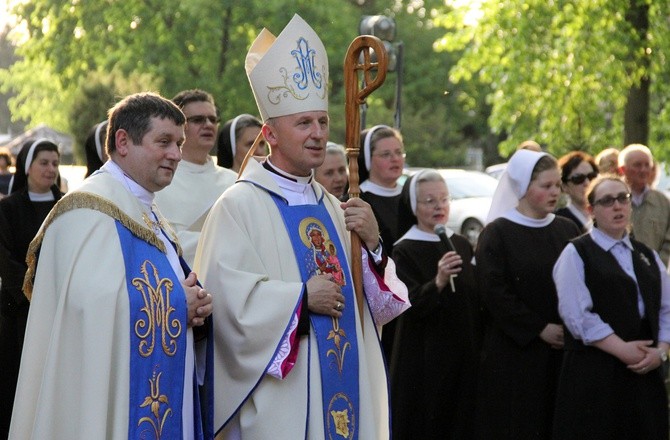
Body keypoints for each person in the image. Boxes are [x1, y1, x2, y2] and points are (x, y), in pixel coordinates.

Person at [194, 14, 409, 439]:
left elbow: (383, 309)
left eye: (322, 122)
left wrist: (373, 245)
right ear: (271, 134)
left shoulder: (336, 207)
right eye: (303, 124)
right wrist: (298, 299)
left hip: (343, 386)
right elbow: (226, 309)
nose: (316, 135)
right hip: (283, 403)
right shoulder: (239, 206)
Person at [9, 92, 214, 439]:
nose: (176, 155)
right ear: (122, 141)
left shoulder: (152, 215)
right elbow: (88, 312)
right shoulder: (85, 211)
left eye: (179, 143)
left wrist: (195, 309)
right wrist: (178, 304)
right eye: (163, 142)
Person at [553, 175, 670, 439]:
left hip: (644, 370)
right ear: (591, 210)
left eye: (623, 198)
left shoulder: (646, 254)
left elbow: (666, 308)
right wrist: (621, 349)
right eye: (607, 201)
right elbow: (577, 315)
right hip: (596, 371)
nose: (617, 206)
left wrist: (661, 352)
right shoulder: (576, 253)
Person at [476, 149, 581, 440]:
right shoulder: (497, 233)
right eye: (545, 186)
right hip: (516, 353)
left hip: (563, 347)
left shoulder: (567, 228)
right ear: (523, 187)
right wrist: (538, 328)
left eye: (558, 185)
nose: (555, 193)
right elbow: (494, 292)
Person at [390, 169, 479, 439]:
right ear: (414, 206)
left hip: (462, 352)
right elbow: (408, 304)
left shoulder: (461, 243)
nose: (439, 206)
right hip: (425, 355)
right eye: (429, 201)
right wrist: (438, 281)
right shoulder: (403, 250)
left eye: (443, 199)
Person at [0, 139, 62, 438]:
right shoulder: (8, 208)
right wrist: (33, 294)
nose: (51, 169)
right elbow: (5, 257)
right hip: (19, 311)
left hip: (60, 310)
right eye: (44, 162)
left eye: (55, 163)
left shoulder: (67, 205)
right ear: (27, 167)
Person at [154, 89, 237, 266]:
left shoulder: (234, 181)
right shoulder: (159, 181)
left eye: (212, 119)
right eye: (198, 120)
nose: (208, 124)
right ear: (177, 126)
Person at [357, 124, 407, 360]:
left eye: (399, 152)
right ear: (368, 159)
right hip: (380, 303)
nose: (395, 159)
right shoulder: (359, 199)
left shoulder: (411, 196)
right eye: (386, 154)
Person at [618, 144, 670, 263]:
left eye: (647, 165)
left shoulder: (662, 202)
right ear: (622, 169)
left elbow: (668, 241)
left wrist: (658, 265)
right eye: (637, 165)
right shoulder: (613, 199)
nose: (643, 170)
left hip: (654, 271)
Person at [556, 151, 599, 232]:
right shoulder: (558, 222)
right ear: (564, 187)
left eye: (592, 177)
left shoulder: (608, 215)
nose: (587, 183)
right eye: (578, 179)